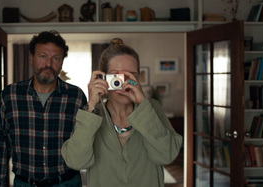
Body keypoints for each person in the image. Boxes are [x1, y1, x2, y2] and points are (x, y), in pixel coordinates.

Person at [61, 38, 183, 187]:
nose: (123, 84)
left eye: (130, 76)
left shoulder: (152, 108)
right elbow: (76, 161)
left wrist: (143, 105)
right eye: (116, 77)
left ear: (138, 78)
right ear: (103, 78)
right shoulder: (93, 114)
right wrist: (91, 105)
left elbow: (167, 155)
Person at [0, 30, 87, 187]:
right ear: (31, 58)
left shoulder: (76, 96)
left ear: (62, 62)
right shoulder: (10, 95)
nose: (48, 64)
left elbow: (86, 144)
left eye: (56, 58)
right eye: (43, 56)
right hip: (25, 183)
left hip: (67, 182)